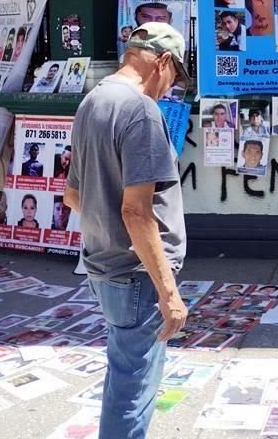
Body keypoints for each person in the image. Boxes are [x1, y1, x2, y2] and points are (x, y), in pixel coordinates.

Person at [63, 22, 189, 439]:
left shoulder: (93, 101)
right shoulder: (141, 110)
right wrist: (169, 293)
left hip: (103, 267)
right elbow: (137, 212)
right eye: (174, 76)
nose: (170, 88)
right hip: (137, 277)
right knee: (133, 393)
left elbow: (73, 195)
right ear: (163, 62)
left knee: (123, 380)